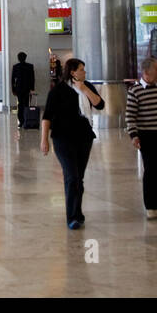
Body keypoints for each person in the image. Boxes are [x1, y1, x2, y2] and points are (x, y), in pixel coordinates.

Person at [41, 58, 102, 230]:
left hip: (84, 138)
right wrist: (44, 139)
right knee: (72, 176)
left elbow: (100, 104)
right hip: (62, 139)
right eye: (81, 69)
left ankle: (77, 212)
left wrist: (84, 90)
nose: (84, 72)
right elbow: (47, 117)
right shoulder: (58, 91)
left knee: (78, 178)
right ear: (73, 72)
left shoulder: (87, 86)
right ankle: (72, 217)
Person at [126, 57, 157, 219]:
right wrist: (134, 135)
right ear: (147, 72)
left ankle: (155, 204)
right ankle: (149, 206)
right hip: (146, 136)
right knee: (150, 170)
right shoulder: (135, 91)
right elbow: (130, 116)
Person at [11, 52, 35, 127]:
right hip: (27, 88)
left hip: (19, 89)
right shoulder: (30, 66)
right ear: (25, 57)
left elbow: (13, 79)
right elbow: (32, 78)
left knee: (20, 105)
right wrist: (32, 88)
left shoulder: (15, 66)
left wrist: (13, 90)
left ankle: (21, 121)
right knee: (26, 104)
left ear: (18, 58)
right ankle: (26, 120)